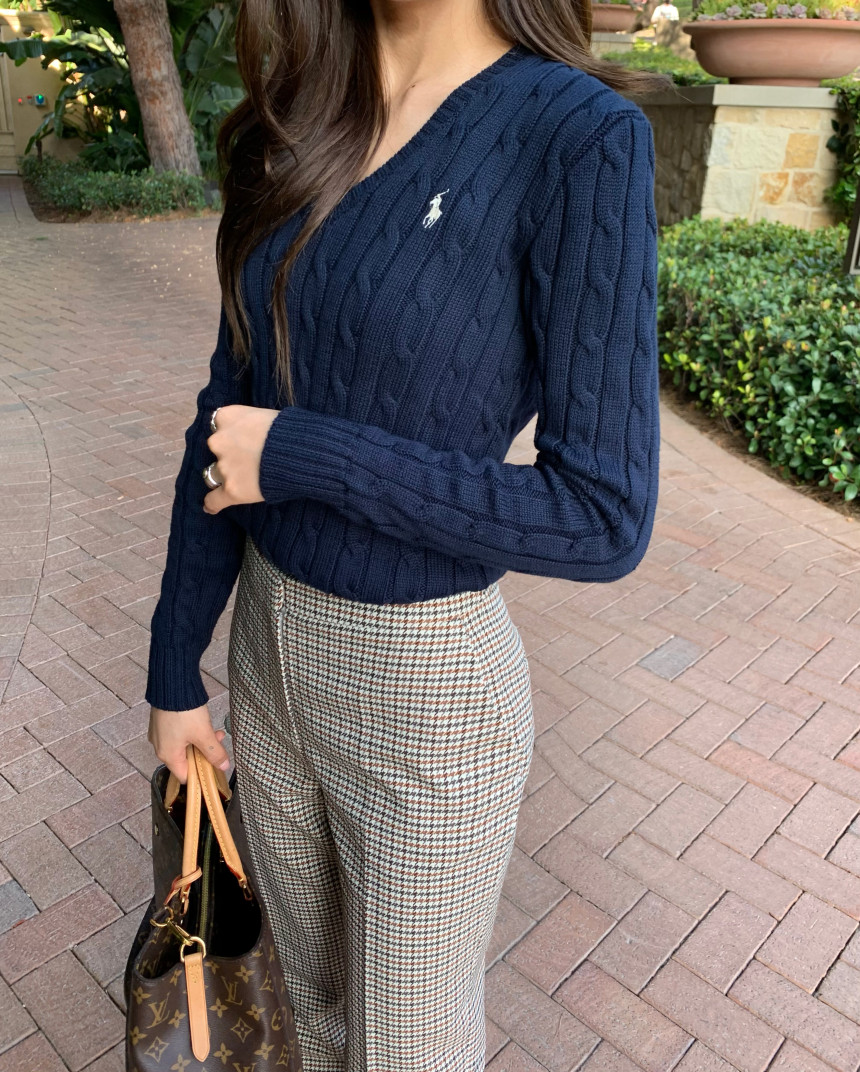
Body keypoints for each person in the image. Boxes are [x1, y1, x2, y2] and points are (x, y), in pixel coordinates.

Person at [145, 0, 669, 1069]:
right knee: (299, 1014)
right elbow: (224, 415)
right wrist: (173, 668)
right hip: (265, 656)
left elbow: (602, 515)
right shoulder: (289, 120)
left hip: (424, 692)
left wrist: (308, 455)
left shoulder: (576, 136)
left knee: (406, 1048)